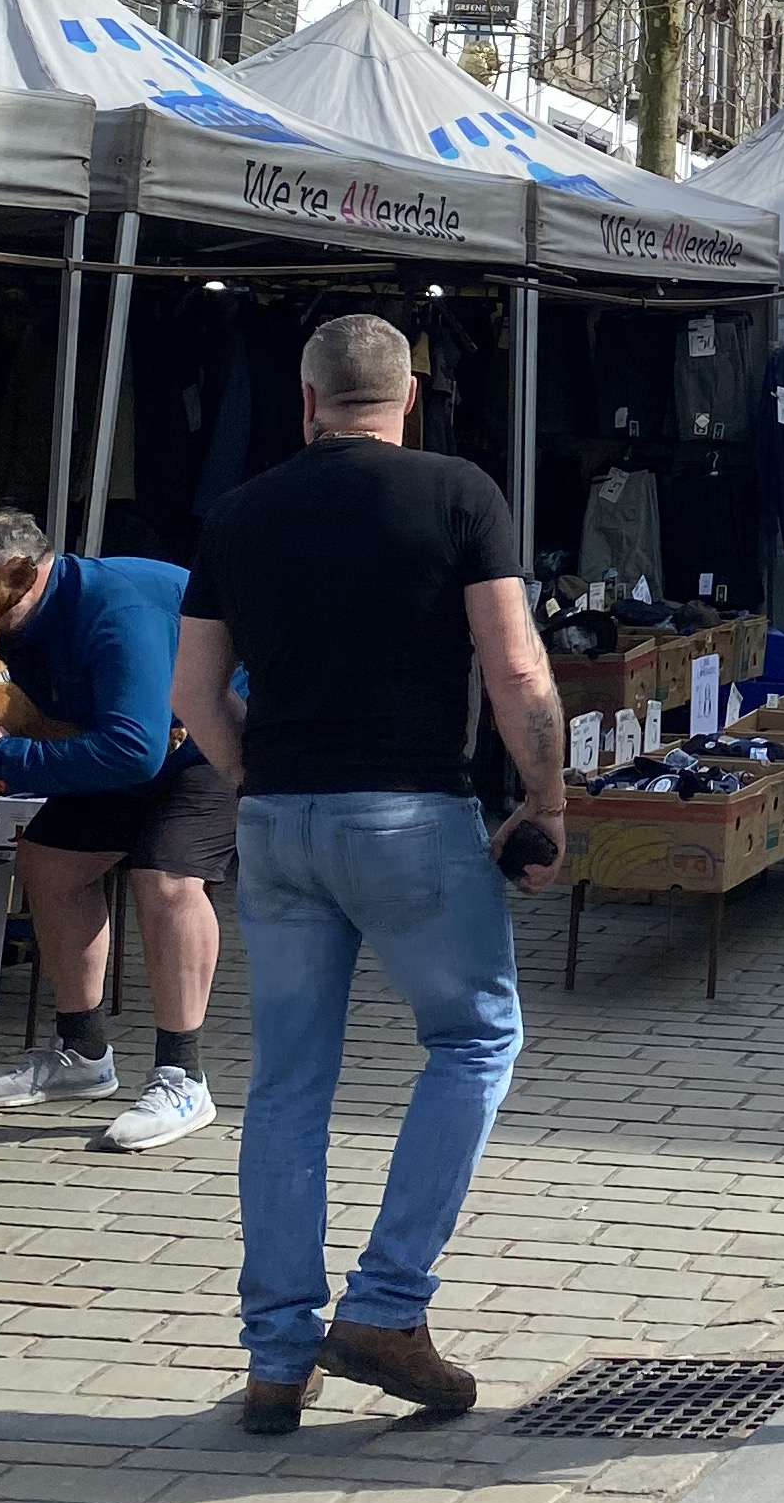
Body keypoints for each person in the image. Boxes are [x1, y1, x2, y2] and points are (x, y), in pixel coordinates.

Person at [170, 312, 566, 1436]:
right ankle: (388, 1305)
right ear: (412, 399)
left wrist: (258, 779)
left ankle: (277, 1359)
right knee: (476, 1037)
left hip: (280, 824)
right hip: (409, 817)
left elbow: (192, 697)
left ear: (304, 403)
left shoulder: (237, 514)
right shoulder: (458, 494)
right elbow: (515, 665)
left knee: (287, 1087)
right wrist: (545, 805)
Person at [0, 508, 225, 1153]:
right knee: (47, 860)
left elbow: (135, 752)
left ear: (20, 577)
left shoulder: (115, 611)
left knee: (166, 880)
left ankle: (184, 1076)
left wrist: (1, 755)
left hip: (213, 745)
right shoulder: (13, 617)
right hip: (133, 743)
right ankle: (83, 1054)